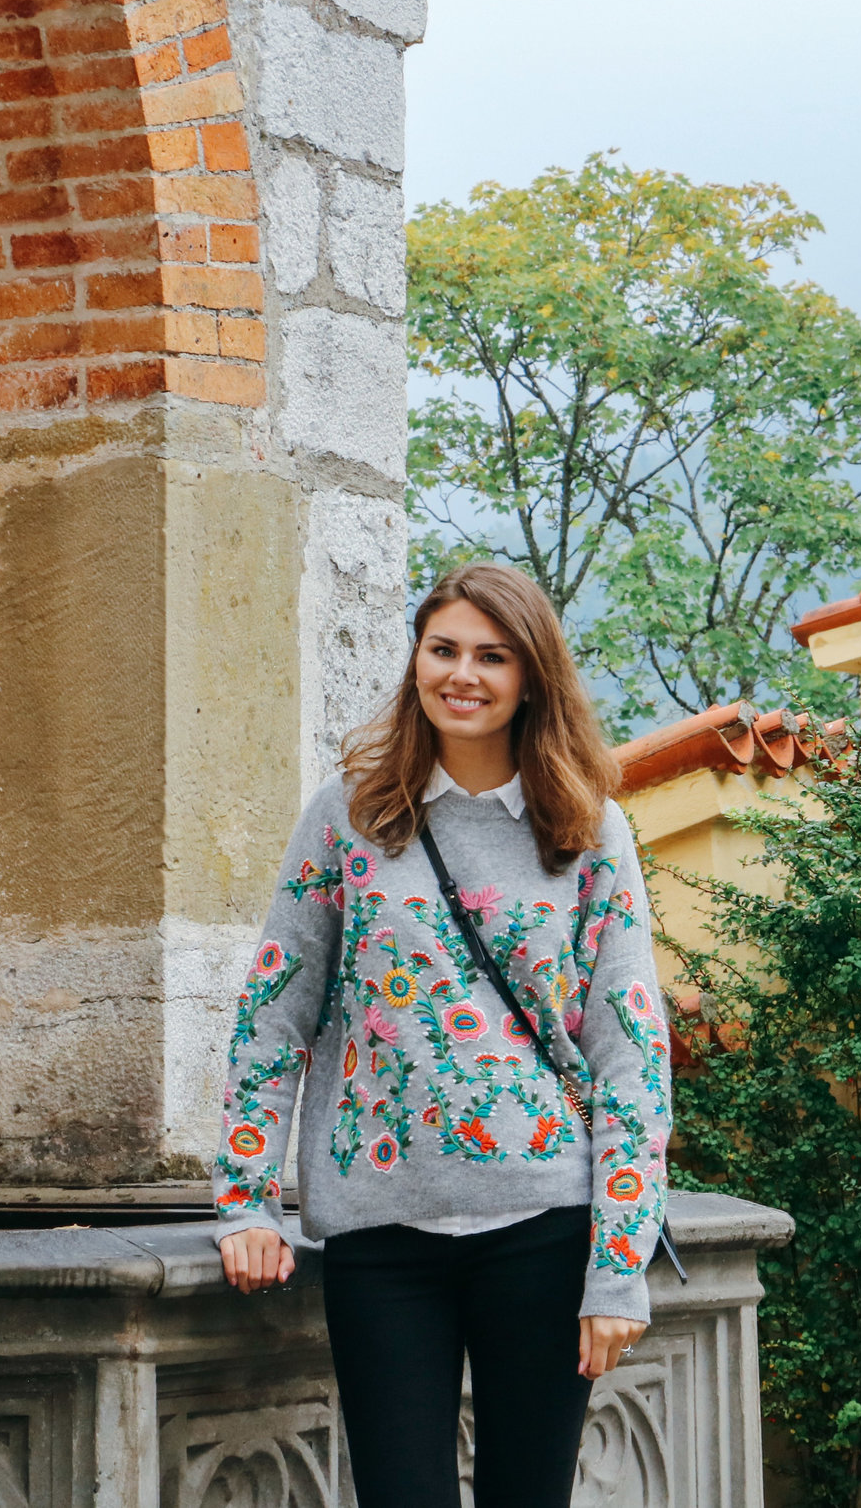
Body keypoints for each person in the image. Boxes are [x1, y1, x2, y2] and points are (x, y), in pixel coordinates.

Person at [214, 561, 671, 1508]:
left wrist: (619, 1265)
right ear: (416, 660)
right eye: (444, 649)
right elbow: (274, 1016)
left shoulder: (590, 830)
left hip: (546, 1226)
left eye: (492, 656)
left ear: (532, 676)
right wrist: (248, 1202)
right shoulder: (349, 816)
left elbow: (630, 1053)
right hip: (383, 1235)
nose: (463, 674)